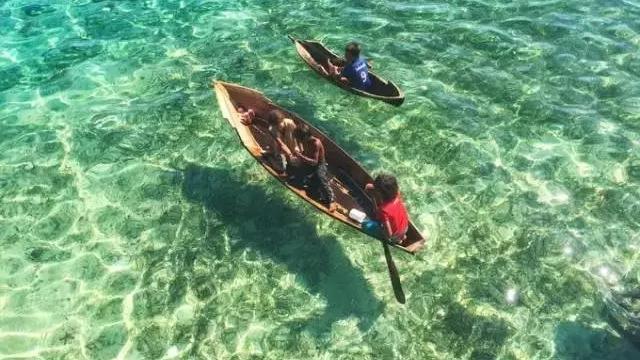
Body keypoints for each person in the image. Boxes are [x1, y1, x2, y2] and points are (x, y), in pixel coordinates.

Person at [290, 124, 336, 212]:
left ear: (305, 137)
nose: (298, 141)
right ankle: (310, 182)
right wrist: (300, 154)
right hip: (308, 162)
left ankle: (331, 200)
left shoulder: (315, 143)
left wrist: (300, 156)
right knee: (295, 177)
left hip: (319, 165)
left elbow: (315, 162)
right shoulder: (304, 140)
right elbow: (305, 151)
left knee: (320, 177)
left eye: (299, 139)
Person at [363, 173, 409, 245]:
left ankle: (397, 240)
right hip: (405, 227)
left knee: (365, 225)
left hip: (394, 236)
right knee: (398, 228)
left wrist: (373, 198)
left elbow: (389, 234)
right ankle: (402, 237)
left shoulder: (384, 210)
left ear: (380, 193)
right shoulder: (397, 194)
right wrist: (373, 188)